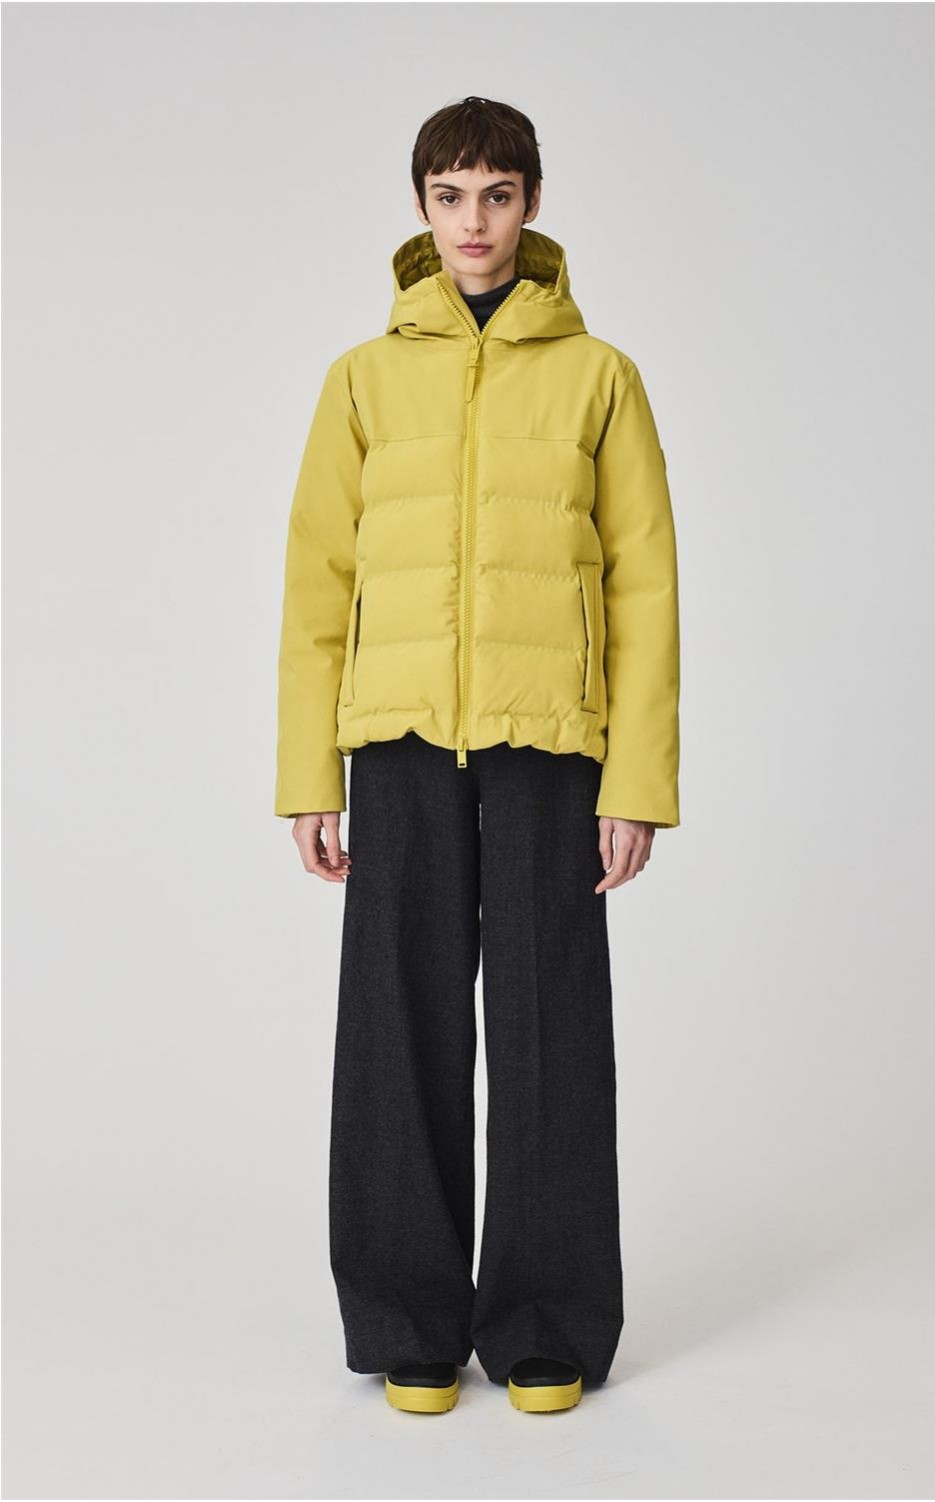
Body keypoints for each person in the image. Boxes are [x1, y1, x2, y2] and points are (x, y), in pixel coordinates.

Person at [274, 95, 681, 1415]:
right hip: (397, 743)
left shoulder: (601, 376)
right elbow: (317, 584)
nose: (474, 222)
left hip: (549, 741)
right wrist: (308, 775)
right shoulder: (361, 379)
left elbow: (646, 589)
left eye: (497, 195)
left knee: (552, 1020)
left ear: (533, 204)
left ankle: (546, 1316)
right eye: (450, 196)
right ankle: (408, 1315)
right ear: (420, 208)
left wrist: (638, 783)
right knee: (396, 1023)